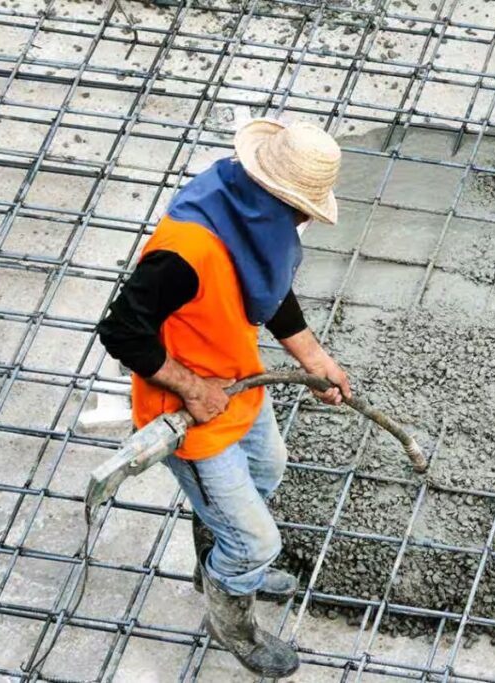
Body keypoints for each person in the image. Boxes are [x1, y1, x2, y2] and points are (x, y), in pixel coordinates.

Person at [97, 118, 350, 678]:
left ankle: (220, 566)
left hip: (236, 382)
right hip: (186, 410)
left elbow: (270, 289)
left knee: (267, 469)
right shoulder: (186, 250)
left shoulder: (250, 218)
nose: (307, 217)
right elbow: (120, 331)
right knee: (256, 541)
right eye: (302, 206)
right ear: (275, 193)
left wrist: (315, 359)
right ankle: (233, 621)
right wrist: (191, 387)